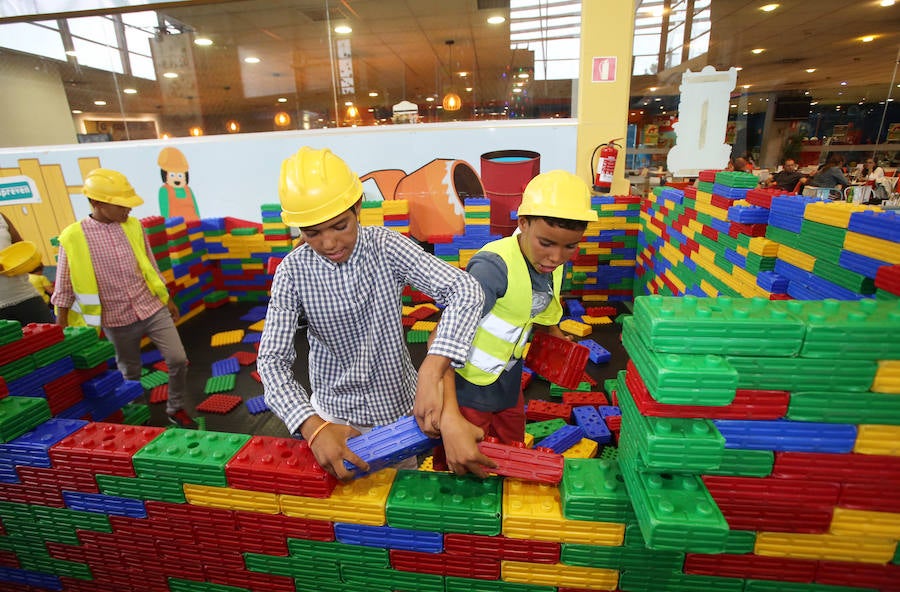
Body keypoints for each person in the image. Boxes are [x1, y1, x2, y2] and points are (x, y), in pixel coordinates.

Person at [258, 147, 493, 480]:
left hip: (399, 410)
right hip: (335, 419)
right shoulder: (292, 272)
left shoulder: (386, 246)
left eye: (340, 226)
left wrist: (431, 368)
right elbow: (271, 360)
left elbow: (465, 289)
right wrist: (312, 426)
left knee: (399, 495)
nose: (328, 242)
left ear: (357, 209)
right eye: (312, 233)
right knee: (348, 508)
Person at [435, 170, 598, 459]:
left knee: (512, 445)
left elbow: (544, 313)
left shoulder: (552, 265)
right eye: (546, 243)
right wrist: (448, 412)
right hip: (468, 384)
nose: (556, 257)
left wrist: (560, 345)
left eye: (570, 246)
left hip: (508, 377)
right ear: (523, 223)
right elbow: (442, 337)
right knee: (468, 452)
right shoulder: (492, 269)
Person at [52, 168, 196, 429]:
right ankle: (136, 417)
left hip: (151, 306)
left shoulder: (134, 226)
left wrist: (167, 298)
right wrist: (60, 329)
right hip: (115, 318)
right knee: (130, 373)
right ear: (96, 203)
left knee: (177, 358)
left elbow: (150, 265)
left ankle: (176, 407)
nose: (128, 209)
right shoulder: (73, 237)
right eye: (121, 205)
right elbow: (63, 286)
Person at [0, 213, 54, 325]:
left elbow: (20, 247)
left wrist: (29, 260)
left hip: (26, 295)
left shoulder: (1, 217)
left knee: (51, 338)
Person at [157, 147, 200, 221]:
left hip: (194, 225)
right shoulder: (164, 190)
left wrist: (200, 222)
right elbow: (164, 211)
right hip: (175, 227)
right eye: (172, 175)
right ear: (165, 175)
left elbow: (195, 208)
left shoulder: (188, 190)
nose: (177, 179)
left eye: (180, 175)